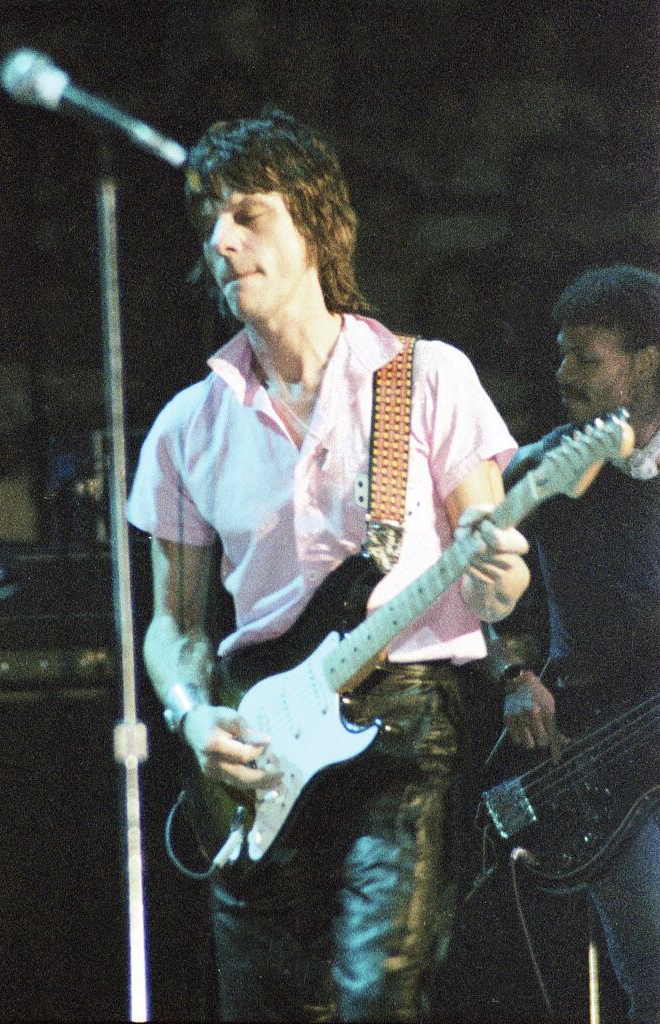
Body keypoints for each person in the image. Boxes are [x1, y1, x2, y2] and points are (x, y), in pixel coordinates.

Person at [126, 108, 530, 1022]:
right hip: (257, 747)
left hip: (400, 736)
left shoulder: (426, 378)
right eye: (210, 223)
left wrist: (499, 577)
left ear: (315, 222)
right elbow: (173, 628)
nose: (222, 241)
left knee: (374, 1000)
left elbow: (495, 570)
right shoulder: (187, 425)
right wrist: (192, 719)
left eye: (249, 215)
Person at [489, 264, 660, 1024]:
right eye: (561, 356)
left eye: (585, 359)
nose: (563, 374)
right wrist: (513, 674)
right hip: (593, 753)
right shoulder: (539, 470)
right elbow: (470, 593)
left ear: (646, 362)